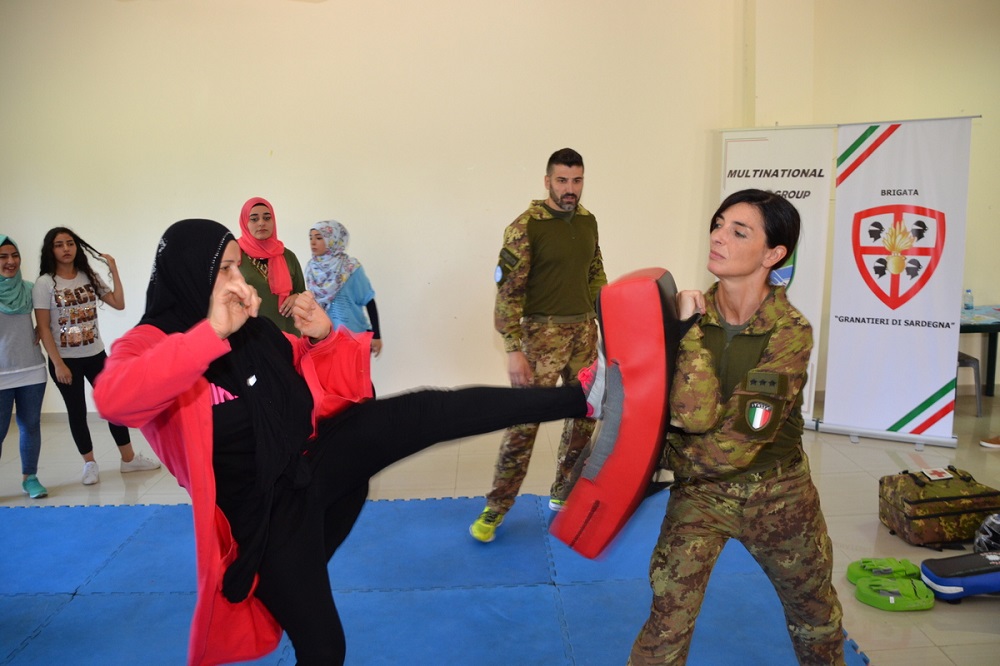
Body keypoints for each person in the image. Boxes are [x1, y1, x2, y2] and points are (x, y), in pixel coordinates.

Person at [93, 219, 594, 666]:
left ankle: (581, 397)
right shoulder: (149, 343)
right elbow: (116, 400)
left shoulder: (254, 332)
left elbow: (330, 392)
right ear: (190, 273)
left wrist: (323, 335)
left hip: (312, 465)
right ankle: (292, 581)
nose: (237, 280)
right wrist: (211, 334)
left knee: (423, 411)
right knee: (324, 649)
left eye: (237, 266)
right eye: (224, 269)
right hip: (261, 520)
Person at [628, 190, 844, 665]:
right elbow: (655, 408)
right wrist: (685, 328)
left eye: (738, 231)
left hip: (778, 496)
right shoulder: (681, 315)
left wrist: (662, 459)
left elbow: (733, 444)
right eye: (718, 224)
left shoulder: (790, 331)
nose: (718, 236)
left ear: (773, 254)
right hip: (700, 497)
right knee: (665, 624)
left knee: (816, 619)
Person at [470, 147, 607, 543]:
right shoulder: (526, 226)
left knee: (585, 418)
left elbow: (595, 273)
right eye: (562, 180)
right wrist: (513, 348)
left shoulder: (588, 221)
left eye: (577, 180)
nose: (570, 188)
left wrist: (609, 322)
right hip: (540, 338)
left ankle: (564, 493)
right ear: (547, 181)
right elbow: (509, 292)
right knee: (524, 424)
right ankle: (496, 507)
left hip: (584, 334)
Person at [32, 227, 160, 485]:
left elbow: (118, 303)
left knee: (115, 405)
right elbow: (43, 328)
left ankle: (128, 460)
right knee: (77, 411)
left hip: (95, 354)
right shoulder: (44, 283)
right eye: (59, 244)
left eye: (70, 243)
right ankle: (89, 463)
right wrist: (58, 363)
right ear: (50, 250)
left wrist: (114, 270)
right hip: (65, 359)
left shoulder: (87, 275)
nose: (66, 249)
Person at [0, 236, 48, 498]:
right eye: (3, 257)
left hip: (32, 369)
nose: (11, 261)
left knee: (30, 425)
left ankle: (30, 478)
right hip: (1, 373)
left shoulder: (30, 289)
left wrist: (43, 327)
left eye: (14, 255)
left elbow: (49, 317)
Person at [306, 220, 382, 357]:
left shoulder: (350, 268)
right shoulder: (311, 269)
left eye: (319, 238)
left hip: (353, 338)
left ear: (332, 240)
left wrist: (376, 335)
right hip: (322, 340)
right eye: (310, 238)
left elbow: (369, 300)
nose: (313, 242)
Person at [237, 197, 306, 335]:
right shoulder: (235, 255)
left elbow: (302, 292)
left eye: (267, 218)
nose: (261, 223)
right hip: (251, 335)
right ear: (245, 223)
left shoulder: (287, 256)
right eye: (254, 219)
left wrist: (297, 297)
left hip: (288, 333)